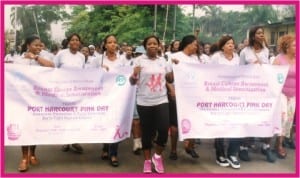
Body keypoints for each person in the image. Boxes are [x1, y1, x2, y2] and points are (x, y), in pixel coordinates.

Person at [130, 35, 173, 173]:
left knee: (163, 130)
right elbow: (131, 82)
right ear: (145, 46)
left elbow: (170, 79)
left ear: (159, 45)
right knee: (147, 134)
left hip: (161, 100)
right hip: (144, 101)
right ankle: (147, 161)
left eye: (155, 43)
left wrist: (173, 68)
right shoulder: (138, 60)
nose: (152, 46)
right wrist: (134, 75)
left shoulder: (163, 61)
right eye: (149, 44)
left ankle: (157, 156)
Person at [14, 35, 55, 172]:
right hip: (23, 100)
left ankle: (33, 153)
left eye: (40, 45)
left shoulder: (43, 58)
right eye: (35, 45)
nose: (38, 47)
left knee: (35, 127)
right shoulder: (19, 60)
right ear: (28, 46)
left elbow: (52, 66)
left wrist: (35, 57)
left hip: (39, 100)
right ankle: (24, 158)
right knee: (25, 127)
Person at [239, 26, 276, 163]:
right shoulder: (244, 52)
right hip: (249, 90)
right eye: (259, 33)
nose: (262, 35)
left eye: (263, 33)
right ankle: (243, 147)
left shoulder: (267, 51)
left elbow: (271, 70)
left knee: (266, 118)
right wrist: (251, 67)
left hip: (264, 90)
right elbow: (239, 71)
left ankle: (266, 147)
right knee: (248, 119)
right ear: (253, 36)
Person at [167, 35, 200, 161]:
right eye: (195, 44)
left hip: (191, 97)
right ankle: (174, 150)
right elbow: (167, 78)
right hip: (176, 96)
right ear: (188, 44)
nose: (196, 47)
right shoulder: (174, 57)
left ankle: (190, 147)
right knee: (174, 126)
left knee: (193, 122)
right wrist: (172, 90)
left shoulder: (195, 60)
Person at [210, 35, 241, 169]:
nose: (231, 45)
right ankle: (220, 154)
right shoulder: (216, 57)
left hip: (234, 95)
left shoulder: (237, 58)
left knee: (235, 124)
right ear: (222, 46)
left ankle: (233, 154)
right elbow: (208, 74)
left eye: (232, 43)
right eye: (228, 43)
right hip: (219, 95)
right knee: (221, 124)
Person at [54, 33, 85, 153]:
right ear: (68, 42)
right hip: (62, 91)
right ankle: (66, 141)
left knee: (75, 117)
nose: (75, 42)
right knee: (64, 117)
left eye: (77, 40)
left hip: (76, 91)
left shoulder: (81, 56)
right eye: (73, 40)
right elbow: (53, 68)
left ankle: (74, 140)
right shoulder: (61, 54)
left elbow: (84, 72)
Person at [100, 34, 126, 167]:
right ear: (104, 45)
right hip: (103, 97)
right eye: (109, 42)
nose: (112, 45)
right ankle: (105, 147)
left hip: (118, 97)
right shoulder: (98, 60)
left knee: (116, 124)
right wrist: (99, 70)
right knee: (106, 123)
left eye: (114, 42)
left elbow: (126, 76)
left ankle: (113, 153)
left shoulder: (122, 60)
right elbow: (89, 75)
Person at [272, 34, 296, 159]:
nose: (297, 47)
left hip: (294, 94)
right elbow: (272, 77)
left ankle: (280, 142)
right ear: (287, 47)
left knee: (289, 120)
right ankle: (278, 145)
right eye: (294, 45)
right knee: (283, 117)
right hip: (281, 93)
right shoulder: (279, 59)